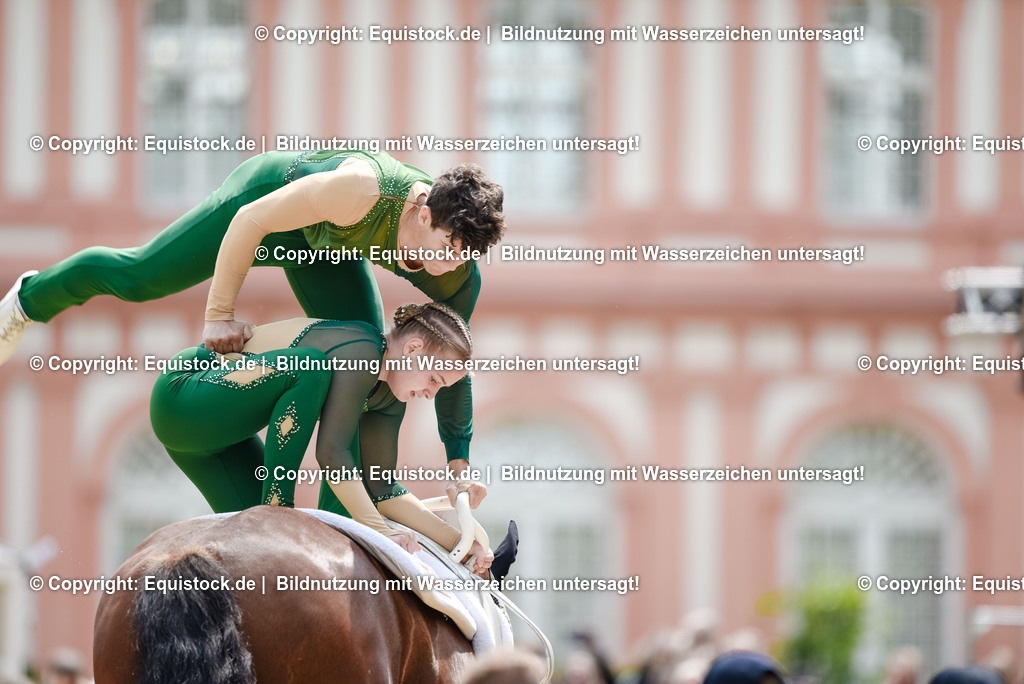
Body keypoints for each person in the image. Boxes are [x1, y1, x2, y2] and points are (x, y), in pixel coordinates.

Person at [0, 148, 504, 505]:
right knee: (141, 277)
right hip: (265, 206)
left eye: (461, 257)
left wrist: (458, 469)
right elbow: (249, 222)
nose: (443, 266)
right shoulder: (360, 191)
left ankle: (347, 530)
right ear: (421, 210)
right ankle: (28, 299)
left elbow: (453, 367)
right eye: (442, 247)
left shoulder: (459, 276)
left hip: (324, 248)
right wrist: (218, 315)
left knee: (369, 368)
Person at [150, 302, 491, 573]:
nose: (431, 393)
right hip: (183, 396)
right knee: (309, 367)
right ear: (413, 349)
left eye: (441, 388)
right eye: (434, 378)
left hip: (214, 444)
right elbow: (332, 452)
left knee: (267, 557)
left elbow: (381, 488)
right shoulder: (362, 348)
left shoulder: (388, 398)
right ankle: (276, 509)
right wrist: (381, 531)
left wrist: (459, 540)